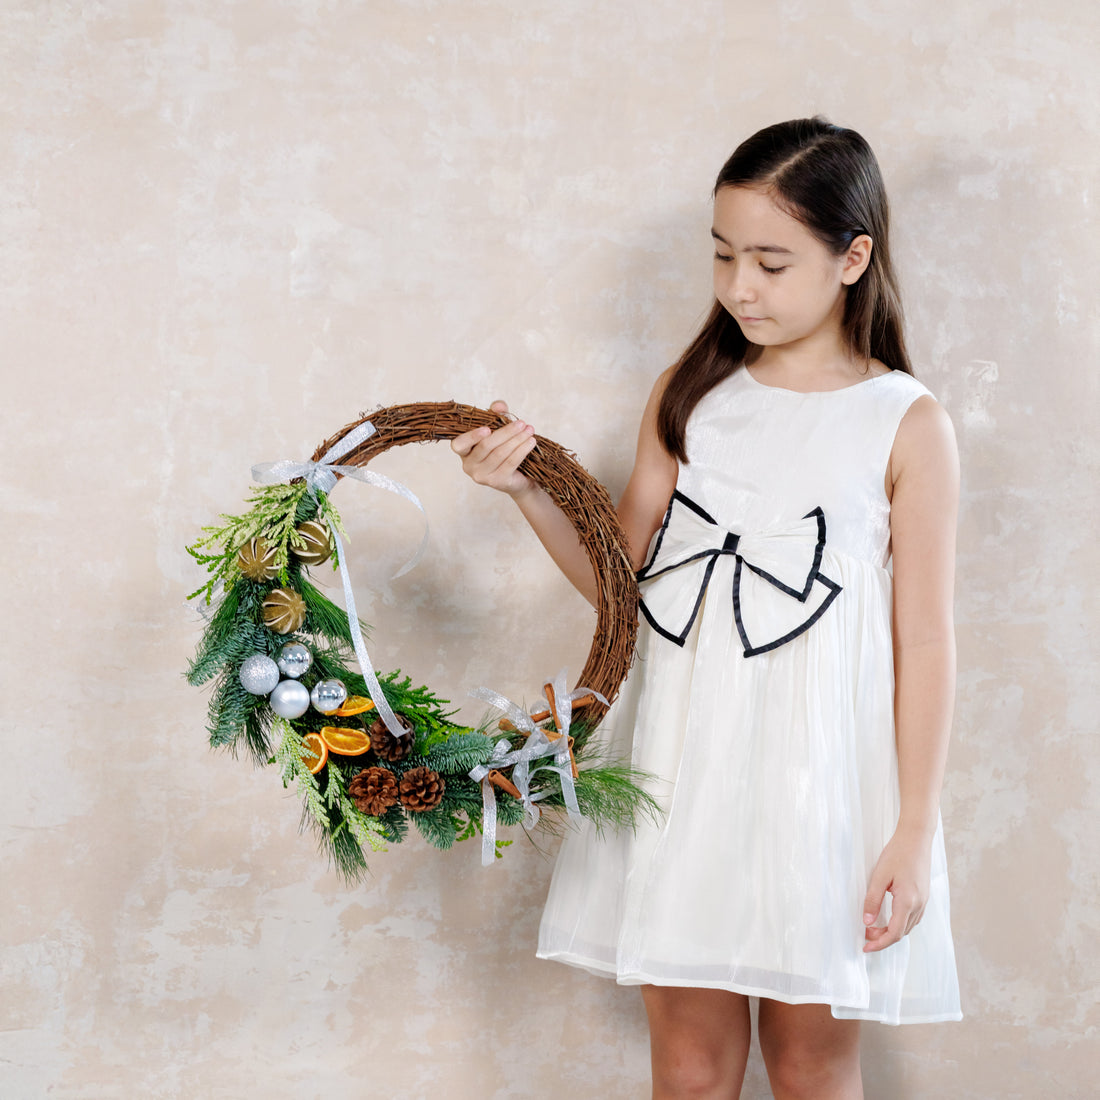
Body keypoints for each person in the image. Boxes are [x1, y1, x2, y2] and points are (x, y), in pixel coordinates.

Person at [452, 117, 961, 1099]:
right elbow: (624, 590)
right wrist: (524, 493)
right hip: (682, 775)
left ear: (851, 257)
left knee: (813, 1065)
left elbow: (926, 639)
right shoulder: (689, 396)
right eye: (723, 256)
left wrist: (911, 826)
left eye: (771, 262)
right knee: (686, 1069)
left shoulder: (903, 421)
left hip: (822, 796)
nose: (738, 287)